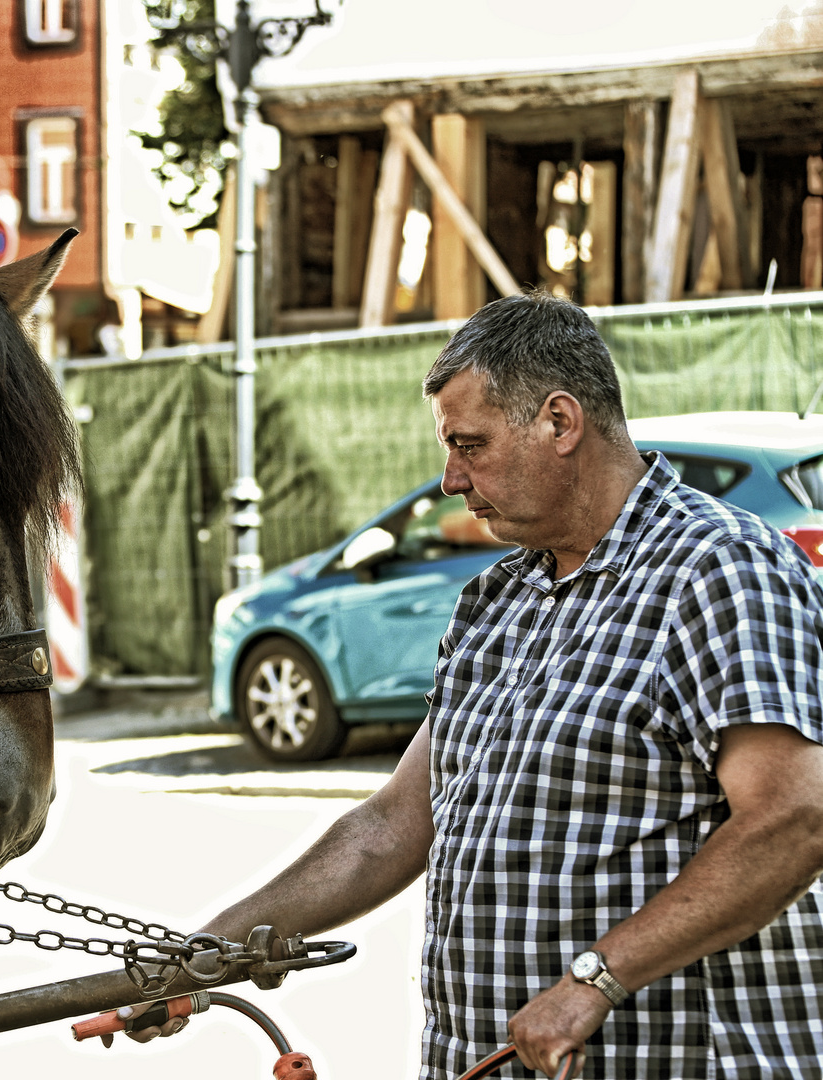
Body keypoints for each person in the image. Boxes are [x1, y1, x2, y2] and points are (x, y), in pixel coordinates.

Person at [144, 292, 823, 1078]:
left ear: (561, 423)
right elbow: (392, 827)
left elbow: (794, 818)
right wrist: (205, 952)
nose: (449, 479)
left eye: (471, 445)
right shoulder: (495, 600)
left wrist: (596, 978)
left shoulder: (720, 570)